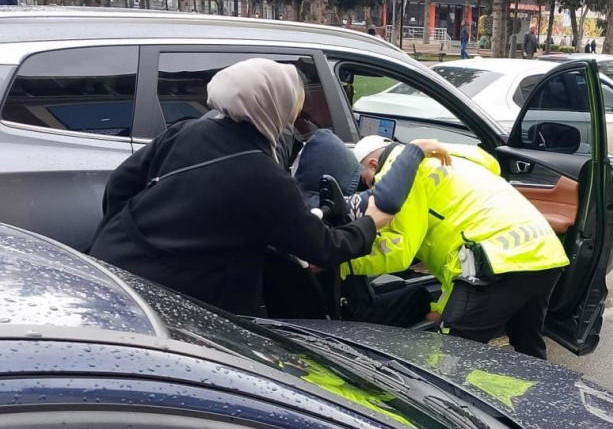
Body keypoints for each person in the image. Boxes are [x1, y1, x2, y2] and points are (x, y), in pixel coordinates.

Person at [87, 58, 396, 318]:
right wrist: (371, 222)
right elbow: (324, 248)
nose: (293, 117)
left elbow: (120, 185)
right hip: (175, 302)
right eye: (293, 107)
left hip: (112, 265)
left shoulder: (186, 131)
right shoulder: (263, 175)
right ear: (273, 105)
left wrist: (124, 231)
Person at [307, 136, 569, 359]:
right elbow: (453, 247)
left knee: (451, 355)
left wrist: (341, 260)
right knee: (528, 346)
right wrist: (442, 308)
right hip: (544, 251)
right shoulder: (455, 159)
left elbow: (399, 250)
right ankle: (540, 409)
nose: (370, 190)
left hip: (498, 261)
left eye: (366, 181)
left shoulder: (402, 172)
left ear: (374, 164)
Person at [293, 130, 451, 327]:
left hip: (320, 310)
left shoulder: (295, 212)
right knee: (419, 295)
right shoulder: (333, 215)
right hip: (355, 315)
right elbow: (396, 243)